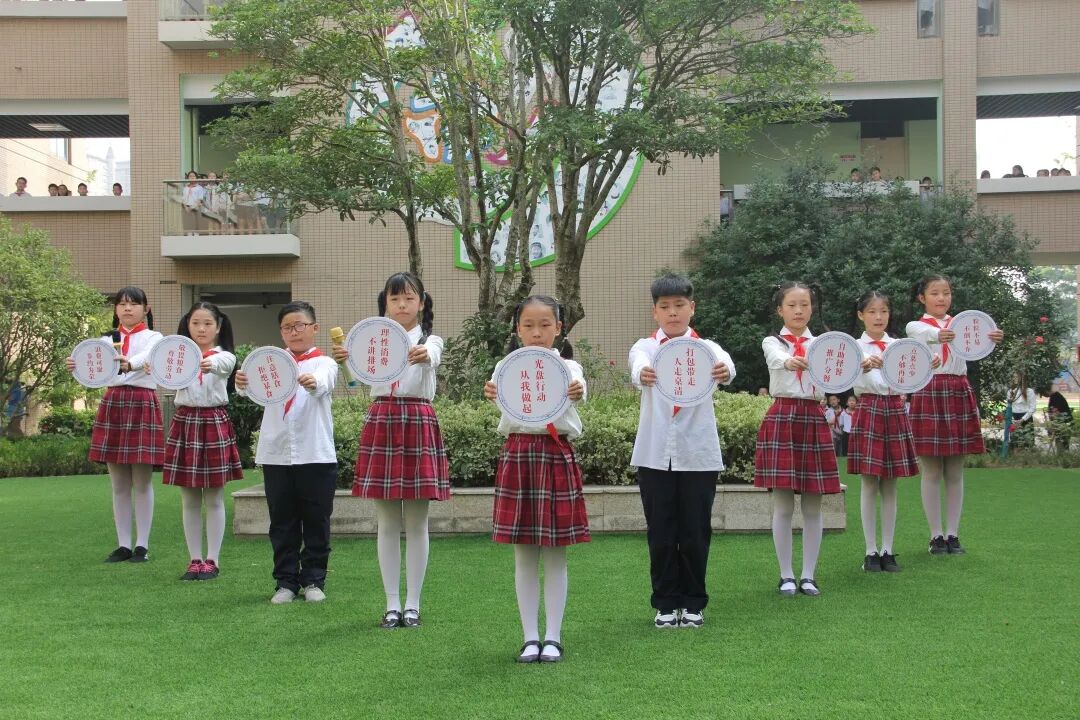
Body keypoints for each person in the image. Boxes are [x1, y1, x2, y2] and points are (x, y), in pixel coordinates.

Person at [333, 272, 449, 629]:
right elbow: (356, 382)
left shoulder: (430, 340)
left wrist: (425, 354)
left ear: (422, 303)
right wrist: (344, 360)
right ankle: (391, 604)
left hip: (417, 417)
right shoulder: (371, 340)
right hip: (382, 417)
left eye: (409, 298)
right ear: (385, 302)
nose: (402, 304)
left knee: (416, 521)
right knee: (386, 521)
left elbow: (432, 355)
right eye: (395, 298)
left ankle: (413, 604)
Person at [483, 296, 589, 664]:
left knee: (556, 553)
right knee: (524, 553)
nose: (537, 332)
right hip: (518, 454)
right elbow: (501, 399)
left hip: (555, 453)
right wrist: (492, 393)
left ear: (559, 328)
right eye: (528, 325)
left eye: (545, 325)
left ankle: (553, 637)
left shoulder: (569, 367)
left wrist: (577, 390)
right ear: (518, 329)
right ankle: (530, 637)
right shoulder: (505, 367)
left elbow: (579, 389)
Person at [628, 274, 736, 630]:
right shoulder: (646, 347)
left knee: (695, 531)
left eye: (679, 305)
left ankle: (693, 602)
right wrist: (641, 373)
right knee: (661, 531)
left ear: (692, 308)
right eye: (665, 307)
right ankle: (664, 603)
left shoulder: (708, 348)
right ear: (655, 312)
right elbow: (636, 366)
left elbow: (728, 367)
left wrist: (725, 371)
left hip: (698, 453)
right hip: (655, 454)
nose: (672, 313)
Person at [236, 301, 338, 604]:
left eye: (300, 325)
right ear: (281, 332)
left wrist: (313, 382)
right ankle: (286, 582)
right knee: (282, 521)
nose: (294, 332)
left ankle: (314, 580)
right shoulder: (270, 363)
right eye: (287, 327)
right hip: (276, 453)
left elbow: (325, 382)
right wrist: (242, 383)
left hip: (315, 453)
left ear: (314, 328)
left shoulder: (323, 363)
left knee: (317, 519)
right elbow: (250, 390)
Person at [906, 275, 1004, 556]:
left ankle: (953, 534)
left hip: (958, 389)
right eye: (934, 293)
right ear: (922, 298)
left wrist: (991, 337)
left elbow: (976, 345)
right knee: (932, 470)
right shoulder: (916, 326)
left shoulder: (965, 324)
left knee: (955, 470)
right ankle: (935, 535)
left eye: (946, 292)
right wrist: (944, 334)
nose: (941, 298)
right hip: (929, 389)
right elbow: (929, 335)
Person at [754, 282, 840, 597]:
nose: (799, 310)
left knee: (814, 505)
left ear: (812, 308)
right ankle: (786, 574)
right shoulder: (772, 341)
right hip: (783, 416)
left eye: (804, 304)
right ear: (780, 309)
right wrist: (790, 360)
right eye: (791, 305)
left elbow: (840, 371)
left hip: (813, 417)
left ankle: (808, 575)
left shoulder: (824, 344)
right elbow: (776, 357)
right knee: (783, 505)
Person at [67, 287, 164, 563]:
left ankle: (142, 545)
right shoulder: (104, 340)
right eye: (121, 304)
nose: (127, 308)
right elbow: (92, 370)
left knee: (142, 481)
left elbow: (148, 358)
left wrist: (129, 364)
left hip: (142, 401)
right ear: (115, 309)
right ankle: (123, 545)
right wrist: (76, 367)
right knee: (119, 483)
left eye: (133, 304)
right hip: (113, 402)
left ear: (146, 309)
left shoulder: (155, 337)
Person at [161, 302, 243, 581]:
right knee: (189, 498)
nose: (201, 328)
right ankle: (194, 559)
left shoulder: (224, 356)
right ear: (187, 325)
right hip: (185, 421)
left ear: (218, 327)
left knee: (214, 497)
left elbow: (222, 365)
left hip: (213, 421)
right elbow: (161, 370)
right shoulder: (177, 356)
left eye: (208, 323)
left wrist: (207, 363)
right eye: (196, 323)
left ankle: (213, 560)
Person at [848, 291, 922, 573]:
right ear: (861, 315)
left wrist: (928, 365)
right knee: (869, 483)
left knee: (890, 484)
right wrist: (863, 366)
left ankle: (888, 550)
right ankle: (870, 551)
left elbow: (913, 376)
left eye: (884, 311)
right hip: (868, 407)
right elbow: (842, 379)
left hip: (894, 407)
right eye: (872, 312)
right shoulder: (853, 347)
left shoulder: (899, 346)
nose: (878, 317)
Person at [1006, 373, 1038, 449]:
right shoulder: (1010, 391)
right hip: (1014, 418)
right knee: (1015, 442)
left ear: (1022, 378)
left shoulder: (1029, 391)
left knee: (1028, 442)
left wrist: (1023, 419)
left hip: (1026, 418)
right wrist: (1012, 419)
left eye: (1017, 377)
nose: (1015, 378)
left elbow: (1032, 407)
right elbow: (1009, 406)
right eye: (1014, 377)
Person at [1044, 383, 1074, 453]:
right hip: (1061, 422)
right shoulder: (1055, 396)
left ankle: (1062, 454)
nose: (1044, 395)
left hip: (1063, 422)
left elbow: (1056, 412)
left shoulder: (1055, 397)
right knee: (1062, 442)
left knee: (1062, 441)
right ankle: (1062, 454)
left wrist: (1053, 424)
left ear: (1048, 390)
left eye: (1044, 393)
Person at [181, 170, 207, 235]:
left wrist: (191, 208)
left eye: (193, 176)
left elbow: (200, 199)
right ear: (188, 178)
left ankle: (196, 237)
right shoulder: (185, 188)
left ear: (196, 177)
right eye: (190, 176)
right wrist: (186, 207)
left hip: (196, 208)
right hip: (187, 208)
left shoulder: (199, 188)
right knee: (188, 224)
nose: (192, 177)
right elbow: (183, 199)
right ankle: (189, 237)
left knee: (196, 224)